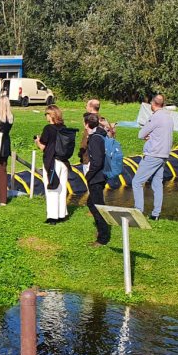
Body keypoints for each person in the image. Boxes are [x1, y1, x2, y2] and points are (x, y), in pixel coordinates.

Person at [133, 94, 174, 220]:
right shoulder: (168, 116)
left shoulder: (155, 117)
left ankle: (138, 211)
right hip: (164, 154)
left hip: (153, 154)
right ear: (163, 104)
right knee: (157, 184)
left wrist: (148, 135)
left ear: (153, 103)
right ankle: (156, 213)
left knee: (137, 182)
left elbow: (141, 134)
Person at [35, 105, 69, 225]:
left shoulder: (48, 129)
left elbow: (43, 147)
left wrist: (37, 141)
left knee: (51, 187)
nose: (45, 117)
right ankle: (62, 213)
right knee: (62, 187)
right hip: (64, 162)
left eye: (46, 114)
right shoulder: (64, 128)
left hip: (52, 161)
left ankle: (52, 217)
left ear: (50, 115)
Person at [83, 113, 110, 246]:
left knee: (97, 206)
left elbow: (97, 162)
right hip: (103, 174)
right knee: (92, 203)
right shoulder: (101, 133)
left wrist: (88, 175)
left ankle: (103, 237)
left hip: (97, 177)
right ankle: (102, 230)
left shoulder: (94, 139)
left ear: (86, 124)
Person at [78, 99, 102, 163]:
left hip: (89, 158)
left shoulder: (91, 121)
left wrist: (81, 153)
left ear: (91, 107)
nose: (86, 107)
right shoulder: (103, 120)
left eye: (87, 105)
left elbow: (85, 141)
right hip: (101, 157)